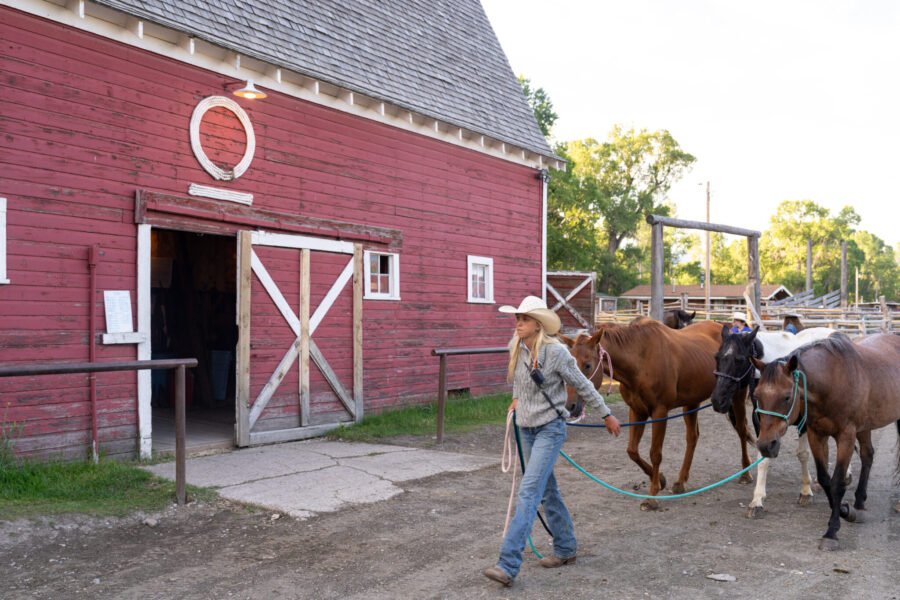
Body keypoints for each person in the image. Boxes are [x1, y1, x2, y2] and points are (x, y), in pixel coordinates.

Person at [483, 296, 621, 587]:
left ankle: (507, 565)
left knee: (529, 492)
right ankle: (567, 547)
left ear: (538, 325)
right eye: (517, 319)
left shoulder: (556, 353)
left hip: (550, 429)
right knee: (547, 491)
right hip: (526, 428)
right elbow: (520, 384)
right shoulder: (517, 349)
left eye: (524, 319)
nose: (518, 324)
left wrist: (606, 414)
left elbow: (582, 383)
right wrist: (516, 401)